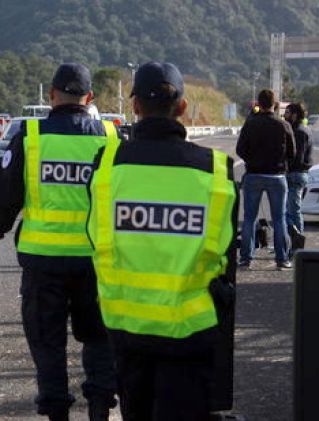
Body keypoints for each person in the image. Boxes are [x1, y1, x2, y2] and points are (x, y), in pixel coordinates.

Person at [0, 63, 120, 421]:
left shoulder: (31, 138)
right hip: (97, 262)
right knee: (98, 339)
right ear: (90, 98)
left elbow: (5, 202)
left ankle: (57, 414)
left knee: (48, 345)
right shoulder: (110, 137)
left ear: (50, 95)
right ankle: (99, 410)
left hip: (43, 262)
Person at [87, 62, 238, 420]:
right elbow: (227, 255)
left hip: (127, 329)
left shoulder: (107, 164)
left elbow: (96, 238)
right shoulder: (216, 169)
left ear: (135, 106)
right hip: (191, 330)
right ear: (183, 107)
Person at [236, 89, 295, 269]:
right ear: (274, 104)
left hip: (254, 175)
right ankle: (282, 258)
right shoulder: (283, 125)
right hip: (277, 176)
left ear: (258, 104)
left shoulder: (250, 123)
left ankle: (246, 258)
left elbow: (240, 149)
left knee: (249, 218)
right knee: (279, 219)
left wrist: (252, 161)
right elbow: (292, 153)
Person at [283, 102, 313, 237]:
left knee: (293, 211)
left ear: (295, 115)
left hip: (295, 174)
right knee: (288, 211)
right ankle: (290, 243)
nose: (284, 115)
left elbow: (297, 158)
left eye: (287, 112)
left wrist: (284, 168)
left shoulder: (299, 132)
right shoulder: (302, 129)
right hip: (298, 174)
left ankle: (297, 245)